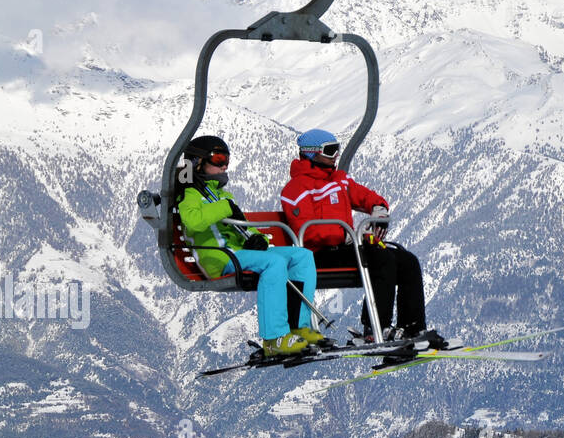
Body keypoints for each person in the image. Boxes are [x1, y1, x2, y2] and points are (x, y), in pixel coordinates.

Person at [280, 128, 444, 348]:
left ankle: (412, 326)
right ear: (311, 153)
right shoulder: (296, 188)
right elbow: (306, 231)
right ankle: (375, 328)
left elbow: (365, 196)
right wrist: (346, 236)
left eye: (337, 149)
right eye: (330, 151)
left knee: (407, 260)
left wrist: (378, 208)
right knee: (381, 258)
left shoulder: (339, 180)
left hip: (345, 248)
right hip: (318, 255)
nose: (336, 155)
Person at [176, 135, 325, 356]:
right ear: (198, 162)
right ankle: (274, 339)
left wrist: (258, 239)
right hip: (219, 257)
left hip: (238, 252)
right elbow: (193, 221)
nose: (224, 165)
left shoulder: (219, 194)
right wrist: (225, 207)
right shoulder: (190, 194)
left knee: (301, 256)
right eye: (218, 159)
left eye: (227, 160)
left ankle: (298, 328)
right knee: (274, 263)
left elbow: (243, 225)